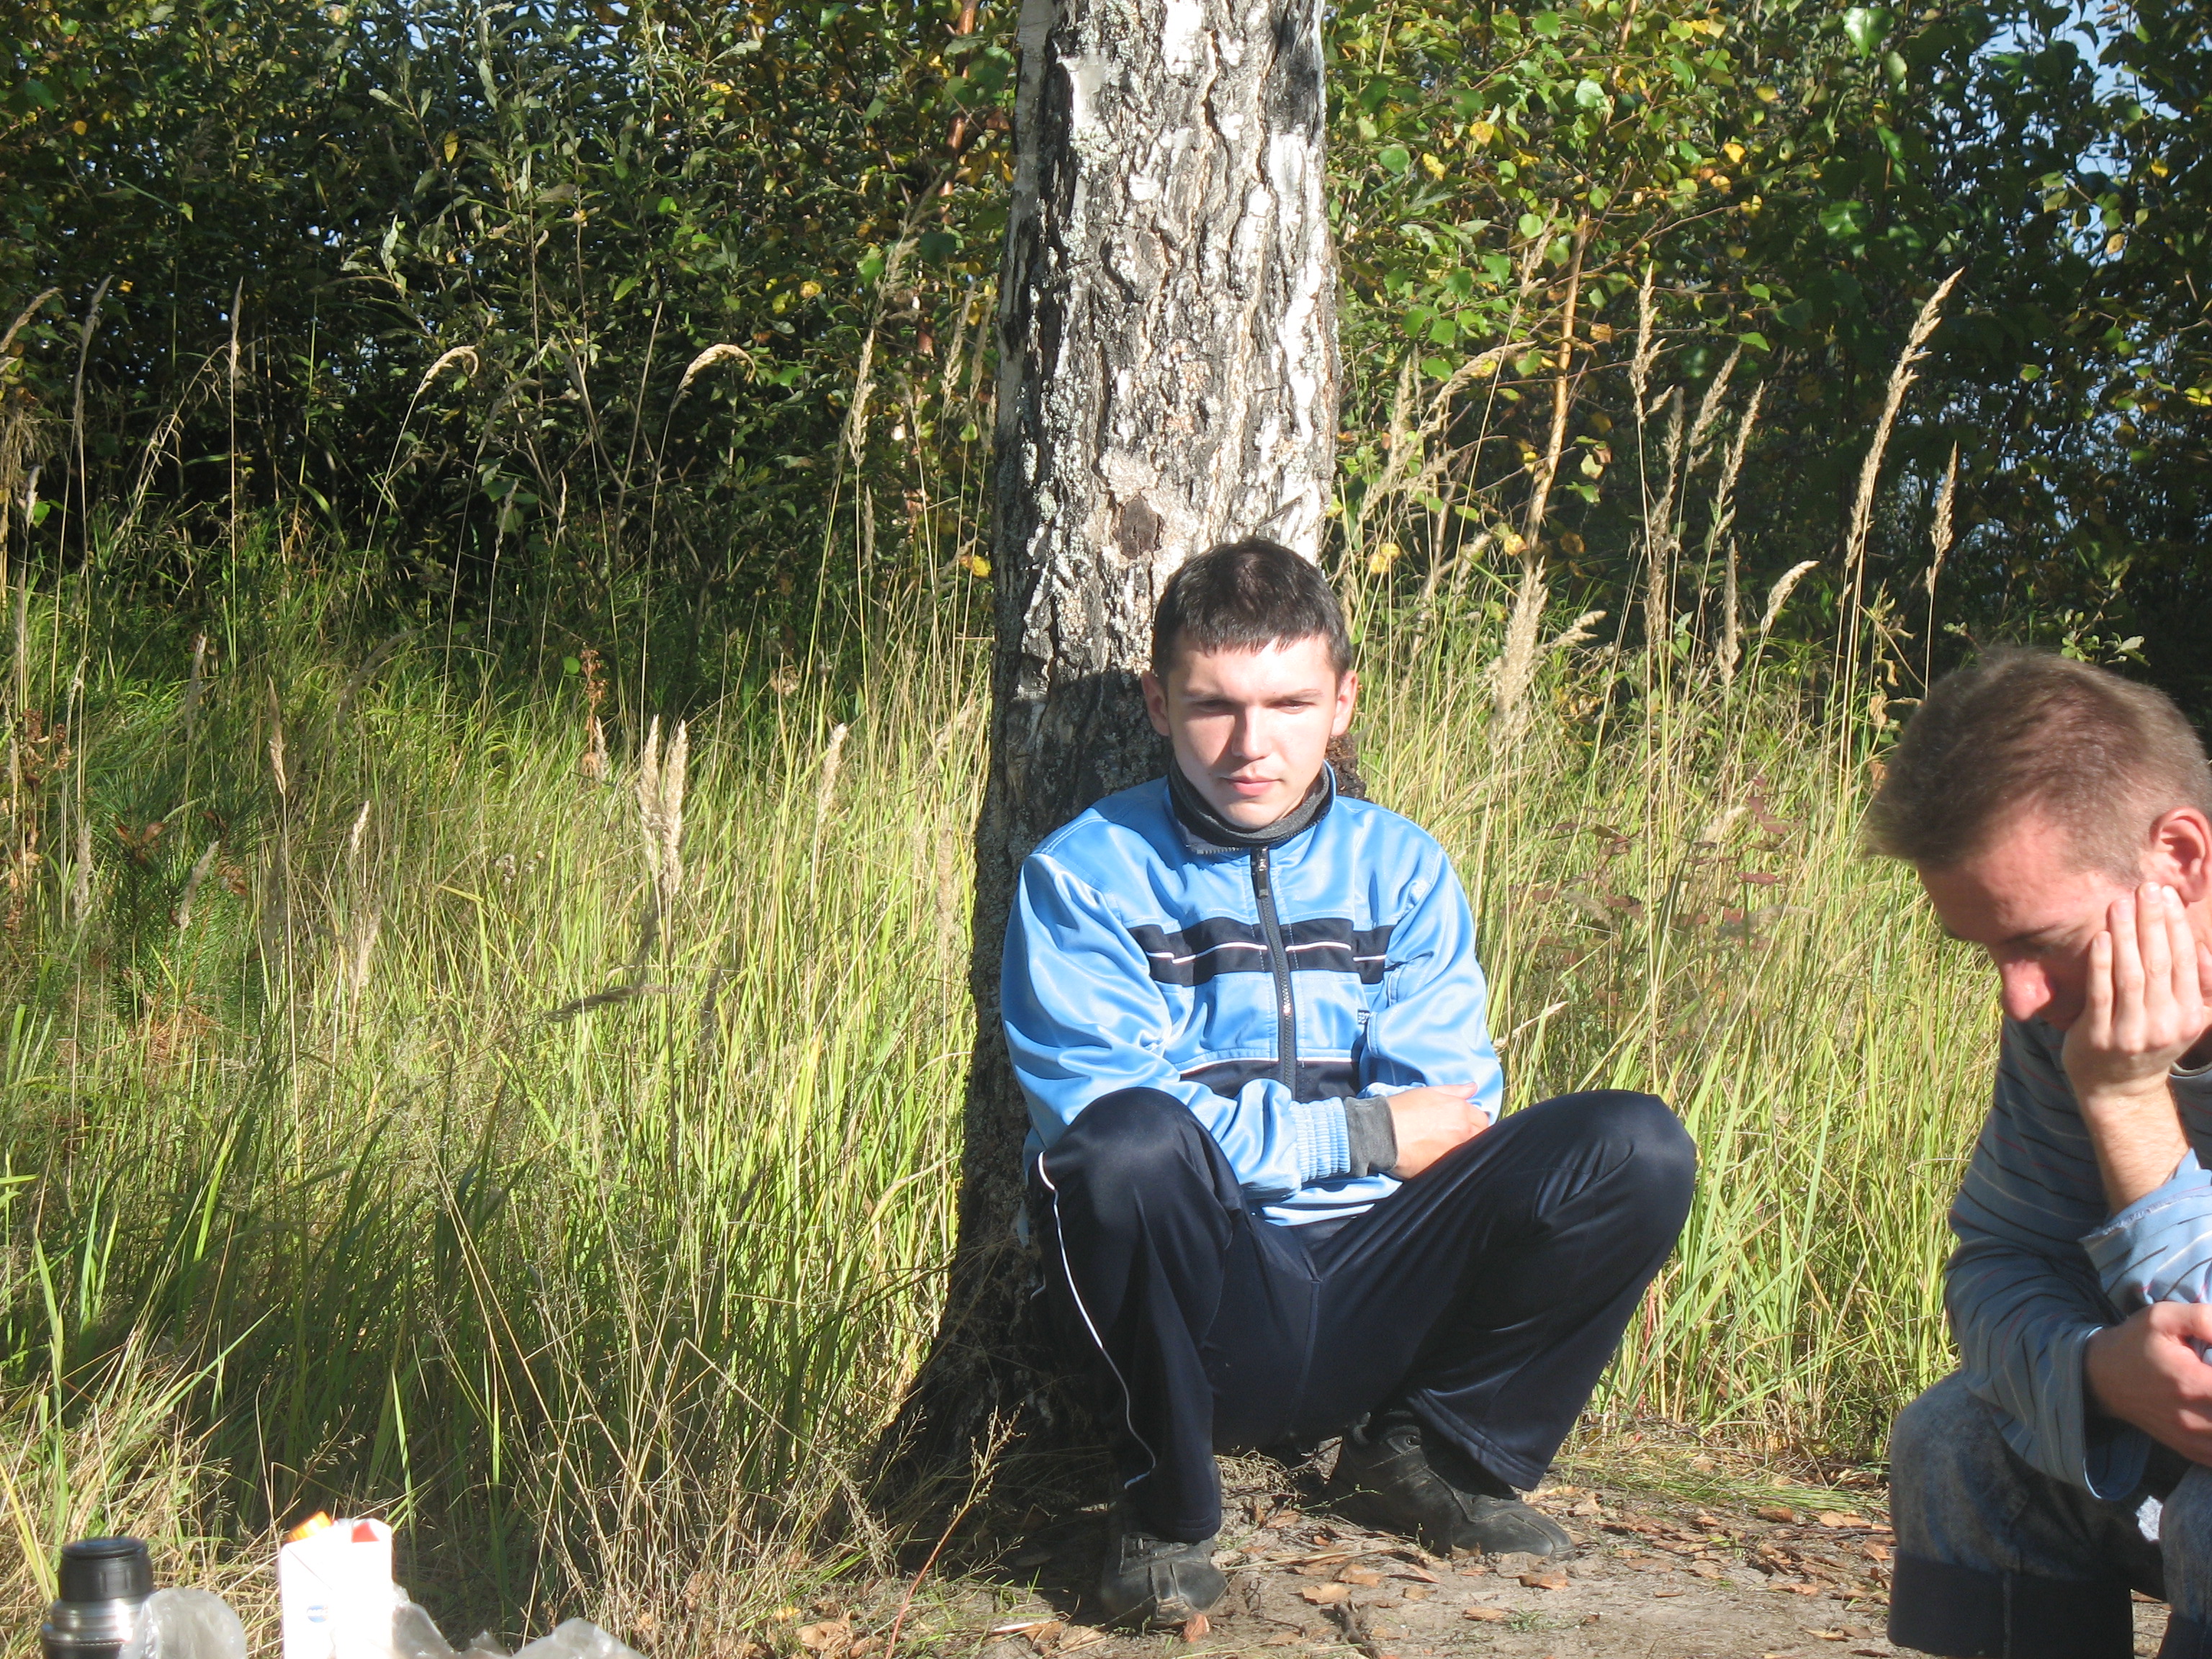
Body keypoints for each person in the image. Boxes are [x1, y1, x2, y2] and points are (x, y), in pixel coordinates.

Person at [999, 538, 1697, 1627]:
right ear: (1157, 703)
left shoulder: (1402, 866)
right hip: (1211, 1289)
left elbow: (1449, 1109)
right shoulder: (1084, 875)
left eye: (1289, 704)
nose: (1251, 745)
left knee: (1635, 1147)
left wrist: (1352, 1139)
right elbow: (1106, 1114)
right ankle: (1163, 1513)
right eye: (1214, 706)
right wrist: (1360, 1135)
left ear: (1342, 703)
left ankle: (1426, 1453)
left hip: (1382, 1273)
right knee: (1131, 1149)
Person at [1865, 649, 2212, 1658]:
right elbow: (1998, 1265)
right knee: (1954, 1442)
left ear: (2178, 856)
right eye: (1988, 951)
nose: (2019, 998)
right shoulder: (2066, 1015)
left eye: (2040, 941)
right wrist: (2097, 1373)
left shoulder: (2103, 1049)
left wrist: (2127, 1100)